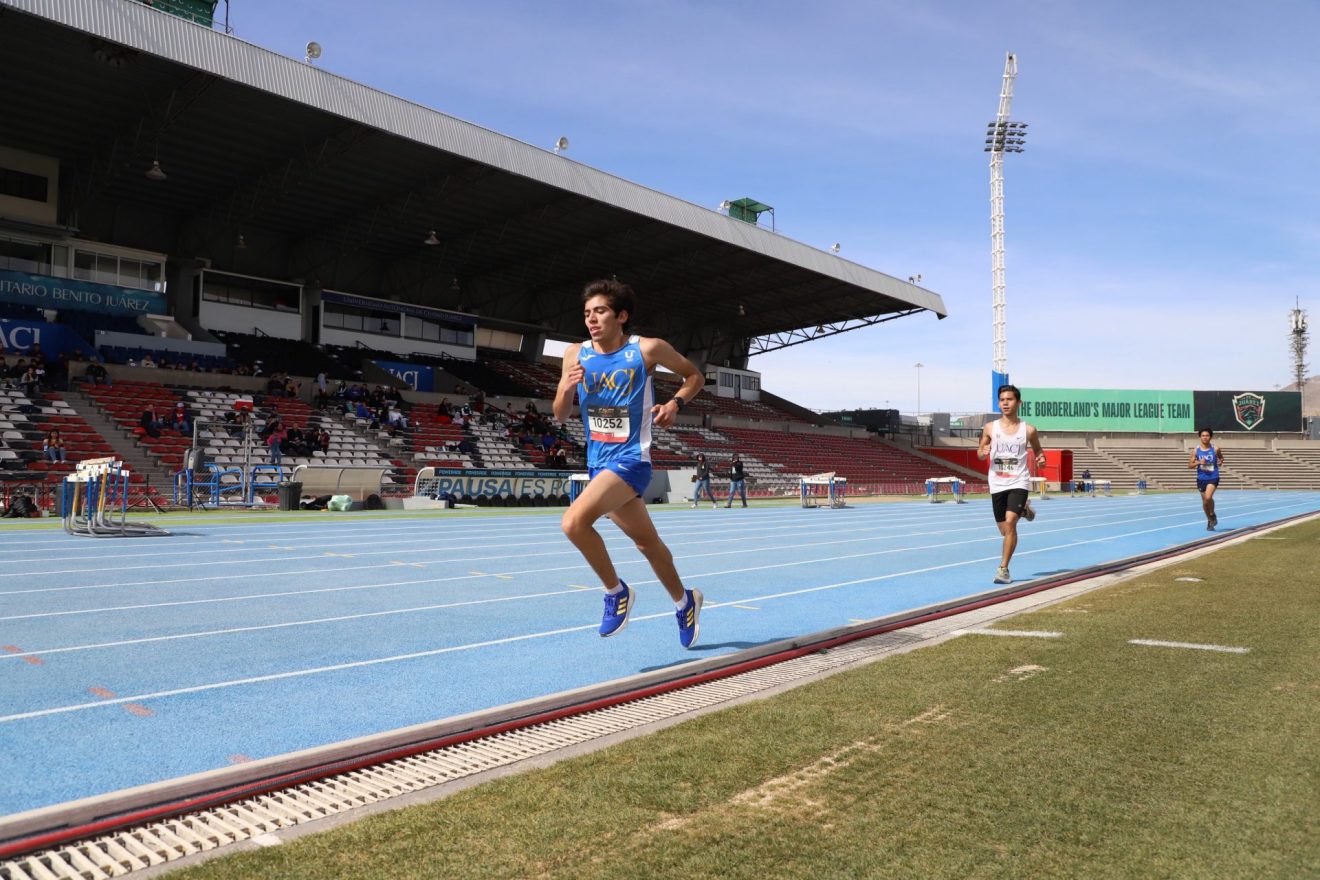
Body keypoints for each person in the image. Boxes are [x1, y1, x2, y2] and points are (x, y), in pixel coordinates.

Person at [554, 278, 705, 649]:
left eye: (600, 311)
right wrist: (566, 387)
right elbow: (560, 414)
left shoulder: (647, 349)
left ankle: (616, 592)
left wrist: (675, 404)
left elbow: (694, 376)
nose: (592, 319)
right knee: (647, 544)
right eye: (587, 313)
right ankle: (685, 602)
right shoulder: (574, 354)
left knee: (573, 522)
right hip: (598, 461)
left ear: (621, 316)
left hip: (632, 458)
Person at [977, 384, 1046, 585]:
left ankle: (1003, 569)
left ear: (1019, 402)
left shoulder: (1029, 430)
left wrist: (1041, 459)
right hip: (997, 482)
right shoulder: (990, 428)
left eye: (1009, 399)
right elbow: (980, 453)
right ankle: (1024, 511)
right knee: (1004, 530)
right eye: (1002, 400)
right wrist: (983, 452)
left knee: (1010, 523)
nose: (1005, 403)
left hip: (1019, 480)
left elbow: (1039, 451)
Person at [1189, 428, 1223, 530]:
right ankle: (1209, 520)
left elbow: (1221, 457)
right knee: (1205, 502)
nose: (1205, 437)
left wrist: (1221, 461)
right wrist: (1199, 462)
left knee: (1208, 498)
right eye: (1203, 435)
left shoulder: (1215, 448)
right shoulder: (1196, 450)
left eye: (1207, 435)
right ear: (1200, 437)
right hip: (1201, 478)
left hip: (1213, 476)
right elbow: (1190, 465)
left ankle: (1212, 514)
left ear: (1210, 437)